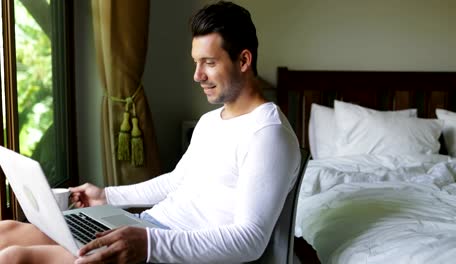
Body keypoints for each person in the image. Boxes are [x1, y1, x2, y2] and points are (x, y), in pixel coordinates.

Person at [0, 1, 300, 263]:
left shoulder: (268, 134)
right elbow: (177, 182)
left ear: (244, 60)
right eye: (196, 63)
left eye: (209, 63)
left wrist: (147, 245)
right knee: (6, 231)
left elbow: (250, 240)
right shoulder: (211, 122)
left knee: (15, 258)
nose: (198, 76)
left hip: (167, 251)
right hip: (145, 227)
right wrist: (105, 196)